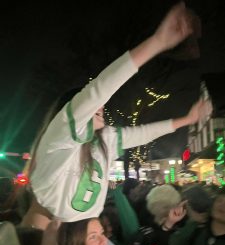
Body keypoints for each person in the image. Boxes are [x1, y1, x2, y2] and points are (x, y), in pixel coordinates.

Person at [21, 2, 212, 229]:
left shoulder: (104, 142)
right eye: (93, 106)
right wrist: (157, 42)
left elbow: (142, 133)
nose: (101, 107)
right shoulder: (59, 139)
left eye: (101, 106)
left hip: (84, 239)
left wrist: (187, 120)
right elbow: (99, 90)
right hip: (51, 238)